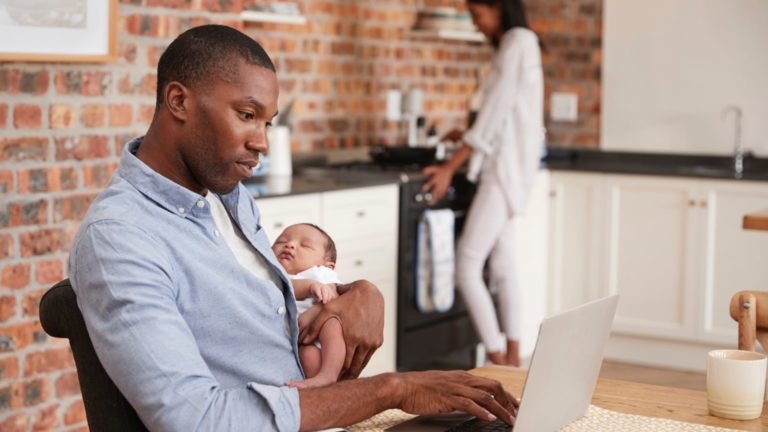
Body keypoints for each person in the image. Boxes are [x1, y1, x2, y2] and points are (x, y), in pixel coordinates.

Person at [69, 24, 519, 431]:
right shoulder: (120, 237)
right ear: (179, 101)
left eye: (267, 122)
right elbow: (194, 419)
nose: (262, 142)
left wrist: (359, 290)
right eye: (246, 114)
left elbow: (272, 300)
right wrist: (391, 390)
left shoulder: (228, 196)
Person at [422, 0, 545, 367]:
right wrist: (468, 134)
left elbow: (494, 114)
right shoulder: (523, 43)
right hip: (512, 171)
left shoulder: (517, 41)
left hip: (501, 172)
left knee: (467, 265)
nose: (476, 25)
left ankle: (497, 359)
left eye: (477, 15)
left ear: (497, 6)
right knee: (505, 267)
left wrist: (449, 166)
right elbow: (503, 114)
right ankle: (512, 362)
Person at [271, 223, 346, 389]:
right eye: (280, 241)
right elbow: (288, 287)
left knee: (332, 320)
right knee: (307, 355)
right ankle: (319, 385)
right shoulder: (273, 275)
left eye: (305, 245)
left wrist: (315, 286)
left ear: (328, 265)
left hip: (322, 331)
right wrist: (309, 286)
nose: (289, 245)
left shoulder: (319, 272)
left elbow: (333, 297)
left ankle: (329, 374)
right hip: (299, 340)